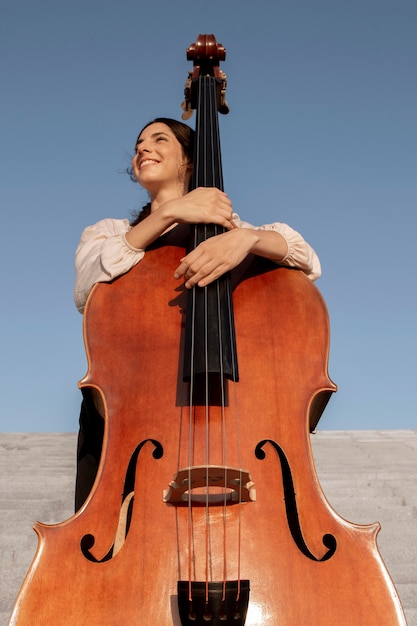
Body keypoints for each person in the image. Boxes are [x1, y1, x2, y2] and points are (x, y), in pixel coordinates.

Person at [73, 117, 321, 510]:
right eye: (139, 143)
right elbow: (87, 284)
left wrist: (248, 238)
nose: (142, 148)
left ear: (189, 162)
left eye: (158, 139)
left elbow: (307, 260)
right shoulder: (111, 232)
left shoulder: (231, 231)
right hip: (135, 421)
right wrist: (171, 214)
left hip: (235, 424)